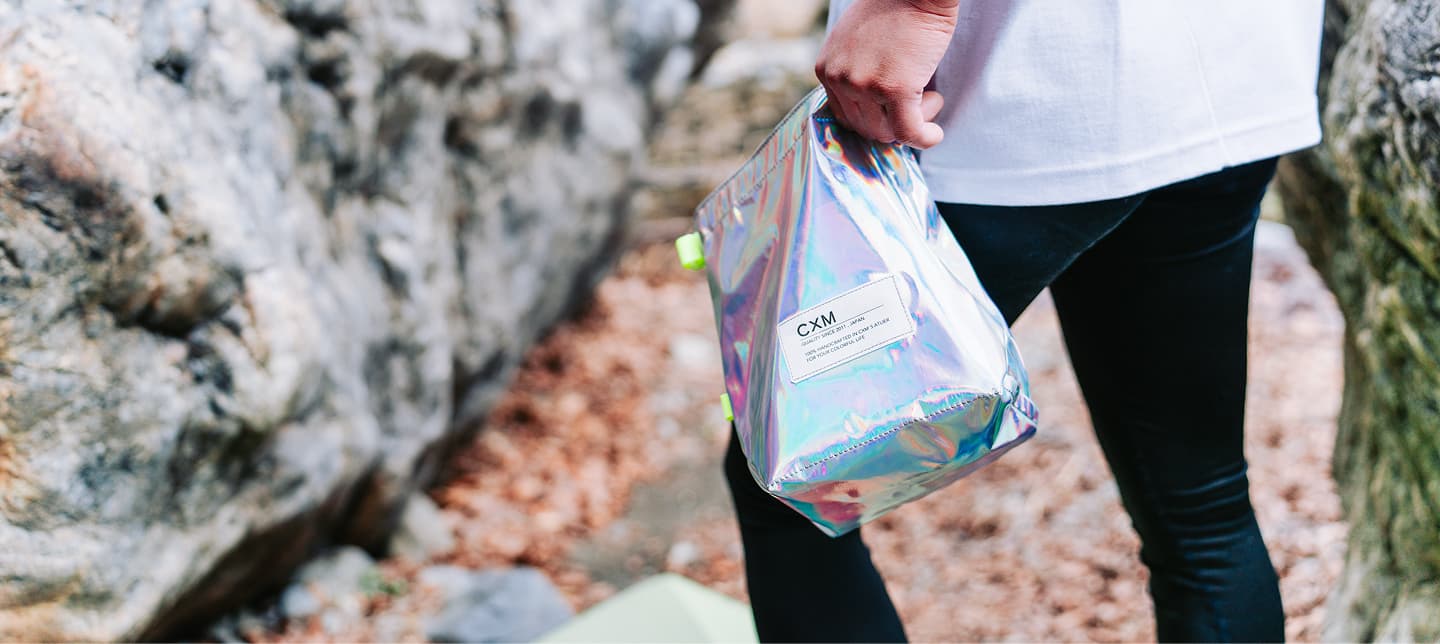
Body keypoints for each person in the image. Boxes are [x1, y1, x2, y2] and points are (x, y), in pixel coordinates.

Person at [722, 0, 1324, 641]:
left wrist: (911, 8)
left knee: (794, 474)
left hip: (1021, 97)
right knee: (1200, 509)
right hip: (1227, 74)